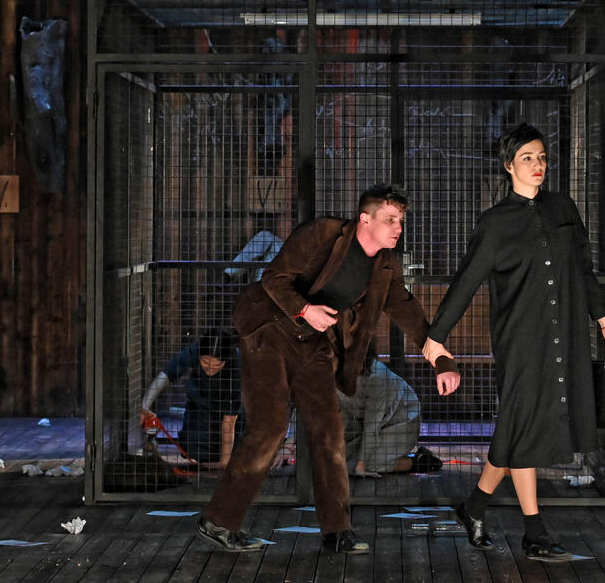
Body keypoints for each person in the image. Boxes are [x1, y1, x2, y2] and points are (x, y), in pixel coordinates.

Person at [195, 185, 460, 555]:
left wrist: (442, 361)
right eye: (390, 220)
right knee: (270, 425)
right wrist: (306, 310)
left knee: (329, 430)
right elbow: (274, 279)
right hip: (269, 329)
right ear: (365, 220)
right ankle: (220, 520)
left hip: (314, 342)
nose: (398, 228)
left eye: (400, 221)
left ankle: (337, 531)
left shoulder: (385, 267)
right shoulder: (322, 234)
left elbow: (408, 311)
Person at [423, 124, 605, 562]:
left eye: (542, 157)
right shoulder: (496, 223)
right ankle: (531, 531)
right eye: (527, 158)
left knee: (519, 427)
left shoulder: (563, 207)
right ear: (508, 165)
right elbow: (466, 282)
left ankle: (477, 507)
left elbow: (584, 271)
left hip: (563, 334)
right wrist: (435, 338)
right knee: (520, 421)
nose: (538, 165)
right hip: (519, 339)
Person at [139, 328, 242, 466]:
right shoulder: (196, 350)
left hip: (228, 411)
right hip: (199, 407)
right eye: (205, 362)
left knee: (234, 450)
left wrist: (224, 462)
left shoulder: (237, 366)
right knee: (192, 446)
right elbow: (168, 373)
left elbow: (229, 421)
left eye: (217, 365)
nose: (210, 368)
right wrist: (145, 406)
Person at [339, 355, 441, 476]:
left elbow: (372, 426)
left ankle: (419, 462)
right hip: (370, 425)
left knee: (368, 464)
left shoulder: (376, 377)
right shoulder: (332, 378)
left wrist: (361, 464)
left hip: (403, 423)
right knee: (344, 461)